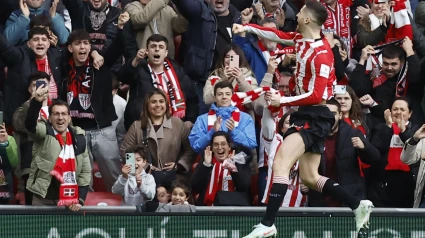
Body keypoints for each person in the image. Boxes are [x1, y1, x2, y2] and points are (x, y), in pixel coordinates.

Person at [232, 1, 373, 237]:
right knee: (310, 176)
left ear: (307, 19)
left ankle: (267, 224)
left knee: (280, 164)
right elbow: (277, 34)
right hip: (308, 113)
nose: (296, 14)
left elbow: (317, 95)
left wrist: (283, 101)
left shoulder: (322, 55)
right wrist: (249, 28)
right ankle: (358, 205)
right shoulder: (300, 40)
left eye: (301, 12)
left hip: (317, 115)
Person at [25, 86, 91, 210]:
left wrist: (80, 200)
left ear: (69, 118)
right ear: (50, 118)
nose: (60, 117)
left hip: (69, 201)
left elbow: (85, 173)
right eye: (56, 114)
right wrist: (36, 102)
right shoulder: (44, 132)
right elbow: (30, 126)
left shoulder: (80, 138)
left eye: (64, 114)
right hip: (42, 199)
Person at [189, 81, 257, 154]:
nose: (224, 97)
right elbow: (195, 146)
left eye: (227, 94)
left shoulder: (245, 118)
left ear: (232, 96)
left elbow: (251, 145)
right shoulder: (202, 119)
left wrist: (234, 131)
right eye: (220, 94)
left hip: (239, 162)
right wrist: (212, 132)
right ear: (214, 98)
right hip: (210, 162)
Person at [191, 131, 251, 206]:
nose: (219, 147)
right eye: (216, 145)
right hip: (209, 209)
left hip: (234, 209)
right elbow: (196, 186)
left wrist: (232, 168)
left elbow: (243, 186)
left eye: (223, 144)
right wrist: (206, 165)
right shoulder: (206, 161)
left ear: (229, 147)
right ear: (212, 148)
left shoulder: (240, 161)